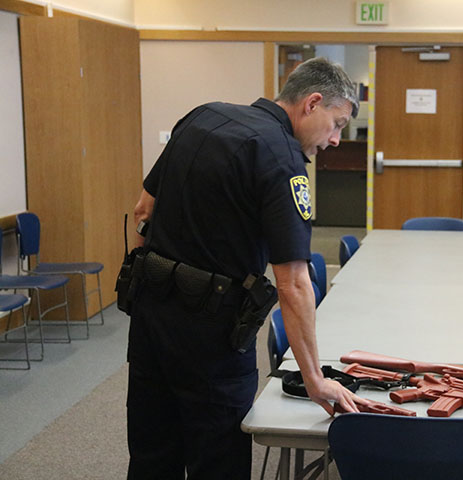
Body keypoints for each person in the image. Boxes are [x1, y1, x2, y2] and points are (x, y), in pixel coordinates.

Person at [127, 57, 367, 480]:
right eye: (337, 123)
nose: (334, 140)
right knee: (217, 461)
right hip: (212, 335)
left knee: (151, 455)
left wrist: (151, 280)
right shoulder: (280, 160)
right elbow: (293, 283)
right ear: (312, 102)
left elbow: (143, 210)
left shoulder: (203, 116)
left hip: (150, 319)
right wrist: (314, 380)